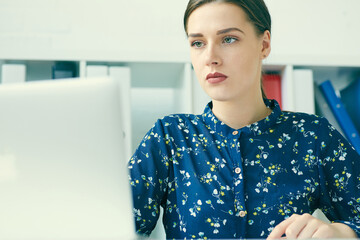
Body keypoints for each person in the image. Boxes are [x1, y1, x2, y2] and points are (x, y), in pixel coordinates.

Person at [128, 0, 360, 239]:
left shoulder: (312, 136)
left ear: (264, 44)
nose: (210, 58)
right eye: (197, 43)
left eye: (228, 39)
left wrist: (343, 233)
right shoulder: (169, 137)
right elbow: (111, 224)